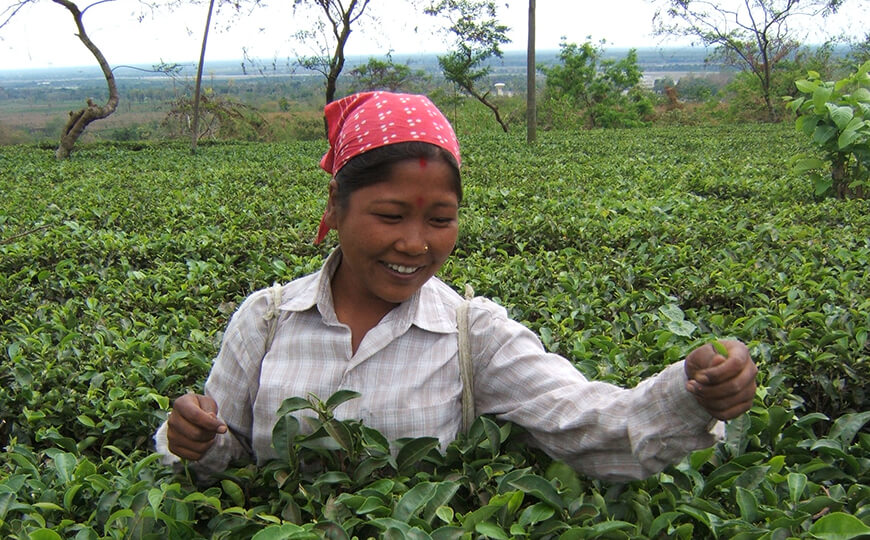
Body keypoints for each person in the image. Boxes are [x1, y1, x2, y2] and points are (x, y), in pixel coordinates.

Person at [155, 91, 757, 482]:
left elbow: (592, 424)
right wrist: (193, 437)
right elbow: (220, 457)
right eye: (391, 216)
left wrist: (690, 392)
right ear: (335, 206)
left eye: (440, 220)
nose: (416, 243)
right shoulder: (265, 320)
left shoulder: (475, 334)